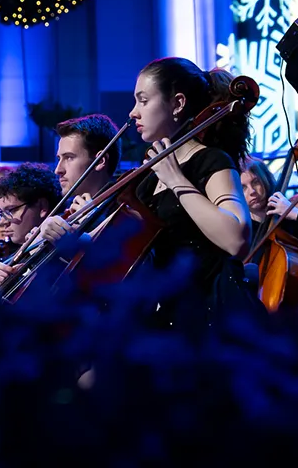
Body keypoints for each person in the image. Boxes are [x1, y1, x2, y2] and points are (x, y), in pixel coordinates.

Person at [76, 57, 257, 327]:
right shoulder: (148, 179)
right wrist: (79, 235)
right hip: (168, 313)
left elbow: (237, 239)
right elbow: (131, 256)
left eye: (144, 100)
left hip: (211, 314)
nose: (133, 112)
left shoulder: (210, 160)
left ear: (178, 103)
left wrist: (176, 179)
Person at [39, 114, 121, 244]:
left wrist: (98, 225)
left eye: (69, 157)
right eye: (59, 159)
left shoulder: (123, 213)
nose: (58, 170)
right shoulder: (68, 215)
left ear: (100, 161)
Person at [0, 163, 62, 291]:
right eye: (2, 213)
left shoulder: (63, 251)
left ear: (42, 207)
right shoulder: (14, 256)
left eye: (11, 211)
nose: (3, 221)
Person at [241, 158, 298, 252]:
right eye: (243, 187)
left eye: (256, 182)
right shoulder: (240, 232)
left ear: (266, 180)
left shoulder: (291, 216)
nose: (252, 191)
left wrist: (294, 213)